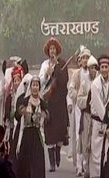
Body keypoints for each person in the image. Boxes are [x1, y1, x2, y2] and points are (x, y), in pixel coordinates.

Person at [39, 37, 69, 172]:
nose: (52, 51)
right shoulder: (45, 65)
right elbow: (39, 82)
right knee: (49, 131)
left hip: (60, 103)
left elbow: (64, 81)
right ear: (47, 51)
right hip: (49, 103)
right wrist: (47, 75)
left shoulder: (62, 63)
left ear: (57, 51)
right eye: (50, 49)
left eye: (54, 49)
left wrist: (56, 71)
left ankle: (58, 151)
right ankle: (51, 162)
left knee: (60, 130)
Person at [90, 55, 109, 178]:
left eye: (106, 67)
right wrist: (107, 122)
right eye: (102, 67)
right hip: (99, 123)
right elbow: (100, 108)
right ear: (99, 69)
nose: (104, 69)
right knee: (96, 154)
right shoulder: (95, 85)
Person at [15, 76, 48, 178]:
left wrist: (45, 116)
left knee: (37, 164)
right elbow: (16, 115)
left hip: (37, 136)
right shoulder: (24, 101)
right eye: (33, 85)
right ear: (30, 87)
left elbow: (48, 117)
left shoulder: (42, 103)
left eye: (37, 85)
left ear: (39, 87)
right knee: (25, 164)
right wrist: (21, 112)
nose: (35, 87)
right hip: (26, 135)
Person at [68, 47, 91, 176]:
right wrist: (79, 98)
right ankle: (79, 166)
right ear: (79, 61)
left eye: (87, 58)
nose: (85, 60)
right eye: (83, 58)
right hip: (79, 109)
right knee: (79, 135)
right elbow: (71, 90)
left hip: (90, 110)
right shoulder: (76, 74)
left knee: (89, 137)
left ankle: (88, 165)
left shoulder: (94, 73)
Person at [78, 55, 98, 177]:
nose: (93, 70)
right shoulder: (84, 81)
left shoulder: (99, 82)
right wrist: (88, 98)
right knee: (85, 144)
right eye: (91, 68)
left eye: (95, 68)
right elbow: (79, 99)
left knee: (95, 145)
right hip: (86, 116)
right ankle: (86, 170)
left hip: (96, 118)